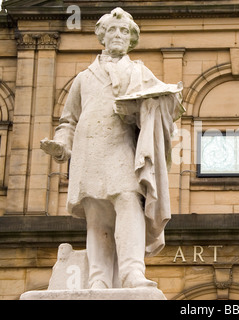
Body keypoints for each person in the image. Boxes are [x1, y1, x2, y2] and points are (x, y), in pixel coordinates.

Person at [40, 7, 184, 289]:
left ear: (131, 40)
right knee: (97, 218)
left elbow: (172, 106)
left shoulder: (140, 72)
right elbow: (68, 121)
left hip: (123, 150)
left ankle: (132, 272)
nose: (118, 35)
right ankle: (99, 279)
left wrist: (150, 105)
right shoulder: (83, 78)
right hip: (89, 153)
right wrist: (61, 146)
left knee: (129, 203)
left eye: (124, 32)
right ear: (102, 37)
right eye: (112, 31)